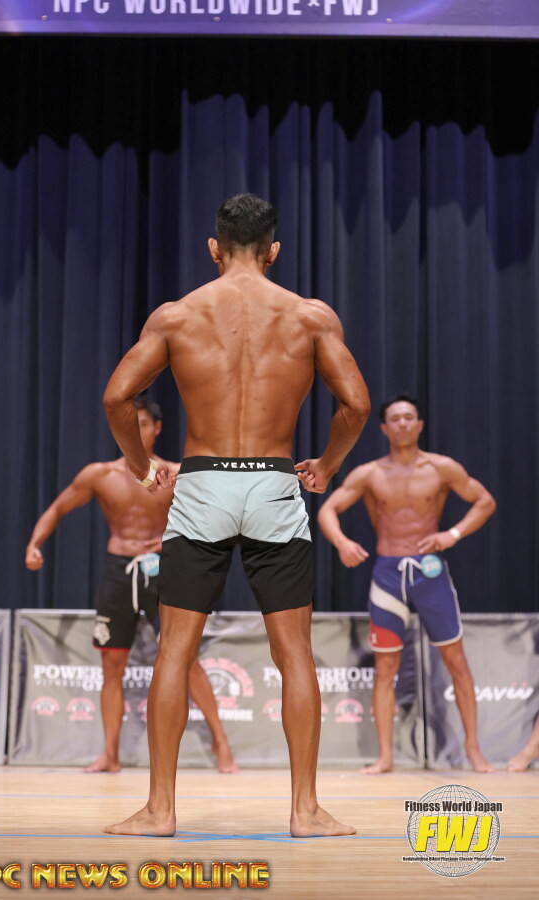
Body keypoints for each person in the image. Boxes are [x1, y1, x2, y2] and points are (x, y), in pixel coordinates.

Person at [102, 192, 370, 837]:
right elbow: (357, 405)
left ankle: (160, 811)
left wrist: (140, 464)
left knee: (175, 650)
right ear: (273, 251)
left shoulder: (178, 315)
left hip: (204, 485)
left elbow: (117, 397)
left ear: (213, 249)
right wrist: (329, 464)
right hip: (273, 484)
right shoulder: (309, 316)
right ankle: (305, 810)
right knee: (294, 652)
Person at [26, 395, 238, 774]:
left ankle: (222, 744)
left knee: (185, 658)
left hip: (164, 570)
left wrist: (174, 541)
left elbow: (220, 517)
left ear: (157, 428)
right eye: (130, 425)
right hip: (119, 570)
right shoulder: (100, 475)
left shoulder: (176, 473)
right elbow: (58, 508)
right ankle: (110, 754)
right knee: (112, 664)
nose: (137, 432)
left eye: (143, 424)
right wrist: (34, 544)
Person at [318, 393, 496, 775]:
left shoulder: (441, 467)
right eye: (395, 418)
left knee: (456, 661)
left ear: (419, 425)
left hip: (430, 573)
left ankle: (473, 749)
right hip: (387, 575)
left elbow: (484, 501)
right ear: (384, 428)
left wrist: (452, 534)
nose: (402, 423)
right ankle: (385, 756)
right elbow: (328, 509)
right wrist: (343, 542)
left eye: (408, 417)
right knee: (386, 668)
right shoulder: (369, 473)